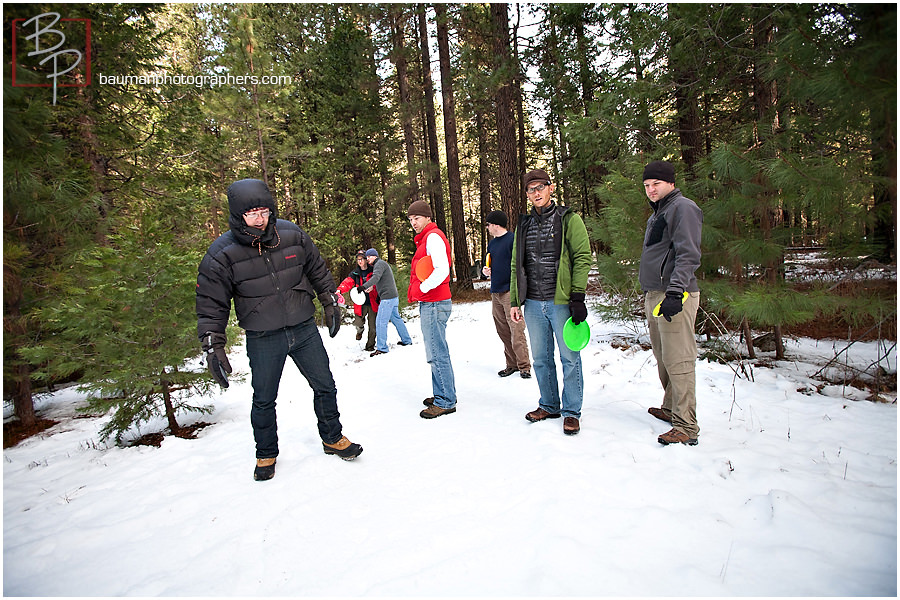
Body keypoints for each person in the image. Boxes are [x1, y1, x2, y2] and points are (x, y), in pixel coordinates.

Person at [196, 179, 362, 482]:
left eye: (265, 212)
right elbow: (210, 302)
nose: (262, 220)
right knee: (264, 398)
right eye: (253, 214)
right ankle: (266, 453)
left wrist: (329, 301)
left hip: (303, 327)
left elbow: (316, 268)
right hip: (263, 336)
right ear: (237, 215)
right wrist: (213, 344)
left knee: (324, 384)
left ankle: (332, 437)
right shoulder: (222, 253)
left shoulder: (291, 234)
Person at [510, 168, 591, 436]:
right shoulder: (523, 225)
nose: (536, 193)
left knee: (569, 357)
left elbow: (582, 256)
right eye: (530, 189)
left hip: (561, 302)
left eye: (540, 187)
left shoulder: (569, 219)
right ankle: (549, 404)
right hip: (533, 303)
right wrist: (514, 300)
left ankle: (571, 411)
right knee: (541, 359)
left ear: (551, 188)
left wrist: (577, 295)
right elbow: (515, 264)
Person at [639, 160, 703, 446]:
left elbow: (688, 253)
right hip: (656, 293)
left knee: (678, 360)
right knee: (664, 357)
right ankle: (670, 408)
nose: (651, 190)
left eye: (656, 184)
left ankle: (686, 425)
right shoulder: (659, 212)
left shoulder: (682, 208)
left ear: (671, 183)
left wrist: (676, 292)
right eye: (647, 186)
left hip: (675, 294)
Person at [406, 200, 458, 419]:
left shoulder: (433, 237)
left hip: (434, 302)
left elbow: (441, 270)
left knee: (437, 352)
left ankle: (445, 399)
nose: (413, 223)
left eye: (417, 218)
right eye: (410, 220)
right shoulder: (426, 238)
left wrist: (422, 289)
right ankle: (441, 393)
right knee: (435, 350)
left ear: (427, 217)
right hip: (431, 302)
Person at [483, 210, 531, 379]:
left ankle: (524, 366)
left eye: (488, 224)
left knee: (516, 329)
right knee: (502, 330)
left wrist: (518, 292)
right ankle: (512, 364)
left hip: (510, 291)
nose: (487, 227)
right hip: (495, 292)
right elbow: (488, 263)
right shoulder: (492, 244)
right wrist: (486, 271)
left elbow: (519, 266)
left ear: (495, 224)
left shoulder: (512, 240)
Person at [359, 248, 412, 356]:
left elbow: (376, 277)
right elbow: (381, 280)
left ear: (374, 256)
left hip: (388, 298)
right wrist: (373, 288)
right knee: (396, 319)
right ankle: (407, 340)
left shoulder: (379, 264)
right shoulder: (380, 264)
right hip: (392, 297)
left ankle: (382, 348)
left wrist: (364, 286)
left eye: (369, 257)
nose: (367, 259)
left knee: (380, 322)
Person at [337, 250, 378, 352]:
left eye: (362, 259)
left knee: (373, 327)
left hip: (373, 302)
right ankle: (360, 331)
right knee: (358, 322)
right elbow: (348, 282)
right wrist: (340, 290)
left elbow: (379, 282)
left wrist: (373, 288)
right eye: (358, 259)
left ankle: (370, 346)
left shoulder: (373, 270)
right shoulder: (355, 273)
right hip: (360, 304)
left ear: (366, 259)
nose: (360, 261)